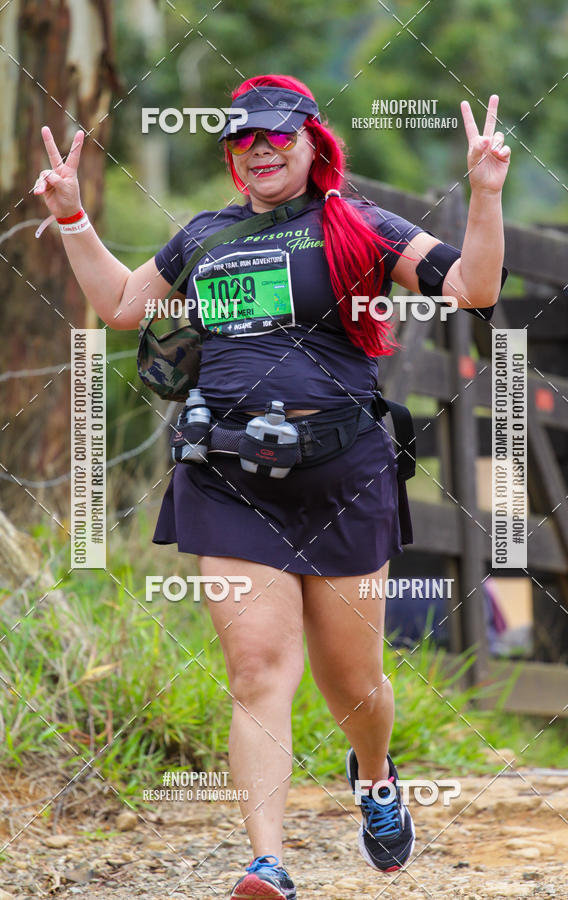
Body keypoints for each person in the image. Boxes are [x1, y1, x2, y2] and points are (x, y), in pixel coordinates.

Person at [34, 74, 510, 900]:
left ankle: (376, 780)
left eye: (277, 136)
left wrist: (486, 192)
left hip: (344, 477)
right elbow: (118, 303)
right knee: (257, 668)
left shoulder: (354, 223)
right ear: (230, 153)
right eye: (243, 139)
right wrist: (74, 214)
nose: (260, 149)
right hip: (226, 479)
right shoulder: (205, 238)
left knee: (351, 681)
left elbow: (474, 288)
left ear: (310, 143)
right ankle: (267, 864)